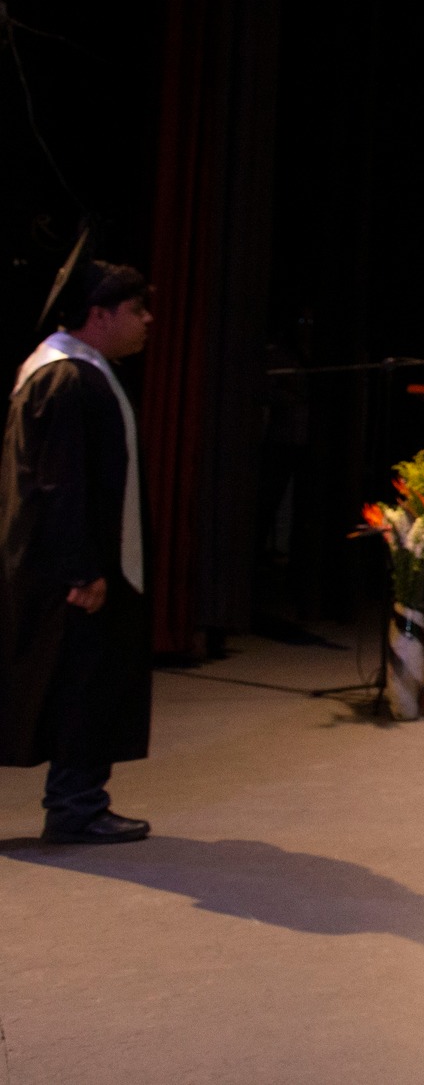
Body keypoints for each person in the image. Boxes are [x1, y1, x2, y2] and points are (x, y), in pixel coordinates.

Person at [1, 260, 156, 844]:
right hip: (64, 568)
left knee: (79, 683)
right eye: (136, 310)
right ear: (99, 314)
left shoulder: (76, 370)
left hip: (67, 561)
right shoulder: (65, 377)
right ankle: (76, 805)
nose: (148, 320)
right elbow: (58, 481)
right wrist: (81, 569)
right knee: (75, 683)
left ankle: (78, 802)